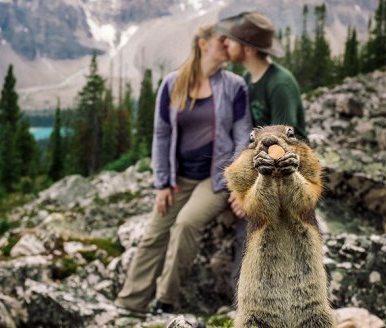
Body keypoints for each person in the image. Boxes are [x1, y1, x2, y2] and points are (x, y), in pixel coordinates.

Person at [114, 23, 252, 314]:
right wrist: (162, 182)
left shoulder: (234, 86)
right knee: (154, 234)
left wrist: (238, 180)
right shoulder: (172, 83)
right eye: (221, 41)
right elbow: (161, 134)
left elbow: (243, 135)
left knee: (186, 223)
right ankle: (130, 303)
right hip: (179, 177)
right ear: (203, 44)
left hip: (215, 178)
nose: (228, 46)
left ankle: (165, 300)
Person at [215, 11, 308, 294]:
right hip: (260, 172)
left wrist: (247, 196)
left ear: (248, 48)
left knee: (252, 230)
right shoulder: (250, 79)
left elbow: (283, 147)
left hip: (283, 177)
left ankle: (250, 303)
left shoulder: (279, 84)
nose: (226, 44)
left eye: (232, 40)